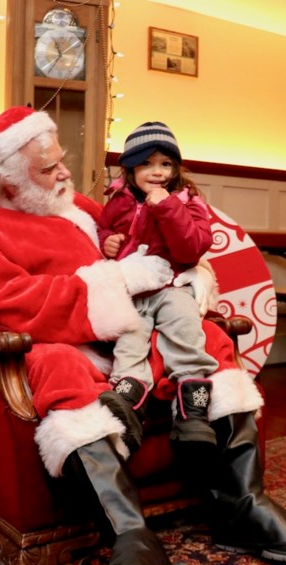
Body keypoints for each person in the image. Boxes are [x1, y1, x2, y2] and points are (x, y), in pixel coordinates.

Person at [0, 106, 286, 565]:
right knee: (59, 365)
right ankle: (132, 536)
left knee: (210, 340)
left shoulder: (77, 207)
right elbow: (8, 302)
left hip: (130, 333)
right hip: (62, 343)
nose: (65, 174)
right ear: (6, 180)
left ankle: (241, 504)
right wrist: (119, 283)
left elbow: (152, 243)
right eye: (48, 168)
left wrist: (191, 277)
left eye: (62, 161)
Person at [98, 122, 218, 456]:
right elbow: (104, 228)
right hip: (132, 290)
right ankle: (128, 403)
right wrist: (106, 241)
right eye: (147, 164)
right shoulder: (118, 200)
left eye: (165, 164)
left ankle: (193, 410)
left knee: (185, 328)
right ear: (130, 168)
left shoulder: (188, 200)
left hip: (171, 284)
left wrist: (167, 206)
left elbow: (191, 248)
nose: (157, 172)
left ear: (176, 168)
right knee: (129, 339)